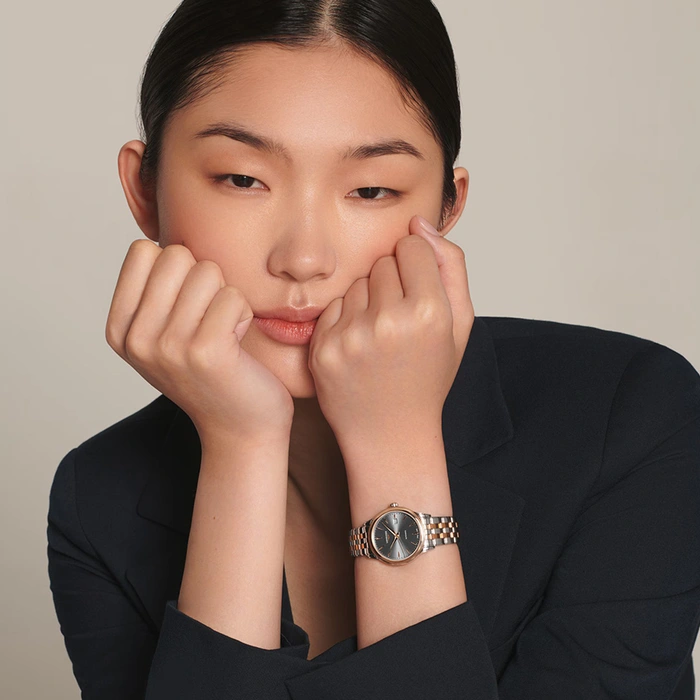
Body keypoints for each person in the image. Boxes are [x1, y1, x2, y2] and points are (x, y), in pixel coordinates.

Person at [46, 1, 700, 698]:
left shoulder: (631, 419)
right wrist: (240, 449)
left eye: (370, 189)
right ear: (143, 190)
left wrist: (397, 446)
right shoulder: (100, 501)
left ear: (447, 207)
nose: (304, 258)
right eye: (242, 179)